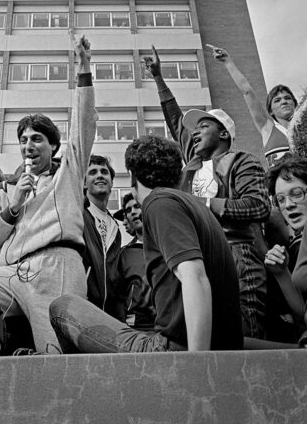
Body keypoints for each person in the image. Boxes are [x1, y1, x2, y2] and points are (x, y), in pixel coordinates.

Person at [49, 135, 243, 353]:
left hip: (176, 350)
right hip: (220, 344)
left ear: (132, 177)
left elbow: (194, 276)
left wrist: (197, 365)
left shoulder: (159, 203)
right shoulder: (195, 206)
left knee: (62, 306)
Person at [0, 31, 97, 354]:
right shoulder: (5, 189)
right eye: (24, 139)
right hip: (9, 272)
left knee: (53, 356)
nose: (28, 145)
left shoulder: (69, 173)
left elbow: (84, 125)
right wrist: (13, 206)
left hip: (56, 266)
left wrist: (83, 67)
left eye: (37, 139)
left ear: (53, 145)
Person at [144, 46, 270, 339]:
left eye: (204, 126)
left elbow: (257, 205)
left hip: (237, 257)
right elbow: (175, 120)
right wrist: (158, 77)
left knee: (243, 341)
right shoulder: (193, 159)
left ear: (223, 134)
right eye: (195, 129)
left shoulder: (242, 161)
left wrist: (200, 205)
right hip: (198, 259)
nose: (195, 132)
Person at [209, 45, 297, 167]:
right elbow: (247, 91)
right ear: (270, 111)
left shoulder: (303, 128)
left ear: (295, 103)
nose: (284, 101)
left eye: (288, 98)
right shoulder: (268, 128)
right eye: (277, 100)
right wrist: (228, 61)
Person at [264, 155, 307, 337]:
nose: (288, 205)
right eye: (281, 199)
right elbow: (303, 313)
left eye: (297, 194)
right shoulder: (301, 240)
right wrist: (281, 273)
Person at [82, 155, 123, 318]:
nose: (100, 175)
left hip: (110, 315)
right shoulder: (78, 213)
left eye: (104, 172)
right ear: (84, 183)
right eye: (92, 172)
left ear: (112, 182)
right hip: (82, 307)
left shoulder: (115, 227)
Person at [117, 193, 156, 330]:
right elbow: (117, 296)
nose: (133, 212)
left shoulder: (167, 247)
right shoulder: (123, 255)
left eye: (137, 206)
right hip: (137, 328)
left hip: (170, 327)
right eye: (128, 210)